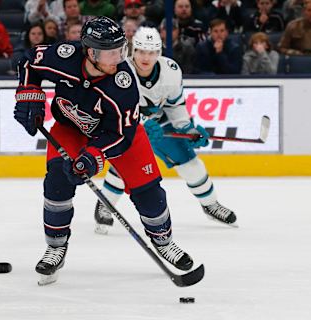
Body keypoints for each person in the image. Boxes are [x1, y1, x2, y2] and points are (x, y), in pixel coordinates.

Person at [13, 16, 195, 284]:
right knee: (57, 182)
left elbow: (123, 134)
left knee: (149, 192)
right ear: (89, 51)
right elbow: (29, 62)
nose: (117, 58)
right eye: (110, 52)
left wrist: (94, 156)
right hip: (70, 128)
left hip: (117, 135)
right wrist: (30, 94)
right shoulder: (64, 56)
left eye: (120, 50)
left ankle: (164, 241)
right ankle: (55, 247)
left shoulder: (123, 85)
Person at [94, 26, 237, 235]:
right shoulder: (119, 70)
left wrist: (187, 129)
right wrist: (140, 123)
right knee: (123, 167)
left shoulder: (171, 71)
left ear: (159, 53)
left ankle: (210, 204)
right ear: (134, 50)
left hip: (159, 125)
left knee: (191, 163)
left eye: (151, 52)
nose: (146, 57)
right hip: (124, 127)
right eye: (142, 51)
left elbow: (175, 105)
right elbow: (114, 108)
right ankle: (105, 204)